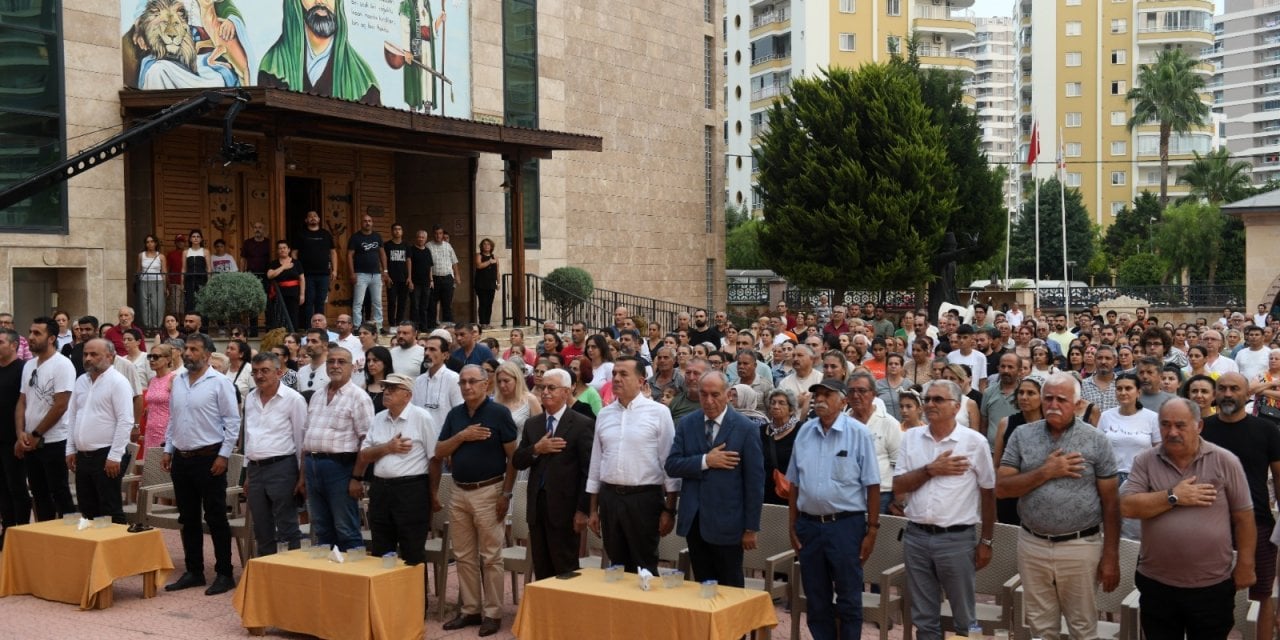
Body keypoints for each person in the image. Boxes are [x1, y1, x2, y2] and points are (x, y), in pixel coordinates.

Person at [996, 372, 1120, 639]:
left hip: (1080, 546)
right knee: (1040, 627)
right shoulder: (1021, 435)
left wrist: (1110, 556)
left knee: (1083, 627)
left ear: (1077, 404)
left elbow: (1111, 503)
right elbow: (1002, 488)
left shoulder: (1096, 440)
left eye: (1061, 399)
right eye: (1048, 398)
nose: (1053, 405)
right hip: (1033, 543)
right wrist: (1046, 471)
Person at [1120, 398, 1256, 639]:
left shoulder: (1225, 461)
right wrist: (1174, 496)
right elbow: (1128, 507)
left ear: (1199, 426)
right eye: (1165, 425)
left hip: (1211, 585)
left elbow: (1244, 518)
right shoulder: (1146, 461)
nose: (1172, 432)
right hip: (1157, 582)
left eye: (1180, 425)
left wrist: (1246, 564)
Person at [893, 379, 996, 640]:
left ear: (956, 406)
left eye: (938, 399)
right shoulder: (911, 438)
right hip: (916, 537)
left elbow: (988, 492)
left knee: (966, 617)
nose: (929, 404)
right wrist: (931, 470)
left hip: (957, 539)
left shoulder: (974, 442)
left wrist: (986, 540)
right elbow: (898, 487)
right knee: (924, 618)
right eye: (927, 399)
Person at [787, 377, 880, 640]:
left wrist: (872, 530)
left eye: (827, 395)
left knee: (849, 598)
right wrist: (792, 526)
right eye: (817, 396)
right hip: (809, 526)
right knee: (816, 599)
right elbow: (794, 482)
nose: (820, 400)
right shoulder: (804, 432)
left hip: (845, 526)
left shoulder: (858, 433)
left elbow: (873, 484)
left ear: (843, 400)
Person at [435, 365, 518, 637]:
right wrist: (462, 436)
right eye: (463, 383)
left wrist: (506, 493)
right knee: (463, 555)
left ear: (486, 384)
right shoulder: (455, 414)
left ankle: (493, 613)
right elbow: (438, 451)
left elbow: (513, 459)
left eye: (473, 382)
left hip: (489, 490)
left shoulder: (499, 413)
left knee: (491, 556)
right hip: (459, 490)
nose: (467, 387)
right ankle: (471, 609)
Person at [664, 371, 763, 588]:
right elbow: (671, 465)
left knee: (730, 586)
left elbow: (755, 482)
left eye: (715, 395)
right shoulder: (687, 424)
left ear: (728, 395)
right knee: (703, 586)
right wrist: (705, 461)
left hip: (729, 524)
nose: (709, 401)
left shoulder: (745, 428)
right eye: (704, 394)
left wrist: (750, 528)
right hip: (695, 522)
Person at [1201, 372, 1280, 637]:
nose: (1227, 394)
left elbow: (1279, 477)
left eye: (1234, 388)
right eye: (1221, 388)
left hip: (1258, 524)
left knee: (1261, 594)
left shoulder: (1266, 430)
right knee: (1210, 594)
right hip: (1209, 524)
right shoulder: (1202, 429)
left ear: (1247, 395)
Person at [162, 332, 240, 596]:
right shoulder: (179, 380)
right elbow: (173, 418)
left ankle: (225, 573)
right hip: (182, 459)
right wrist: (168, 448)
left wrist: (223, 455)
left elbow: (232, 422)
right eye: (186, 349)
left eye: (194, 350)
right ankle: (194, 571)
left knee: (216, 516)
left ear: (207, 355)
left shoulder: (219, 382)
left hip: (210, 458)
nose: (187, 354)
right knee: (188, 517)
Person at [586, 356, 679, 575]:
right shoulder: (604, 414)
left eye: (623, 374)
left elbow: (669, 465)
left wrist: (669, 510)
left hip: (644, 499)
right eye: (614, 374)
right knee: (616, 565)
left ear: (640, 380)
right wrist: (592, 509)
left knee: (644, 565)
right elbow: (596, 462)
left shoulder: (659, 413)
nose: (616, 378)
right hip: (610, 498)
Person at [351, 373, 439, 575]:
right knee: (382, 550)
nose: (387, 392)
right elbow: (364, 454)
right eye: (385, 388)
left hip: (411, 490)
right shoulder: (378, 418)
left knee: (412, 552)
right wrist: (388, 447)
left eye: (393, 388)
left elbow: (434, 459)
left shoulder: (422, 417)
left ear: (407, 395)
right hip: (380, 489)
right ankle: (386, 604)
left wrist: (432, 494)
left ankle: (417, 605)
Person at [512, 369, 595, 580]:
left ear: (566, 392)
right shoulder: (533, 424)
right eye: (542, 387)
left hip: (566, 510)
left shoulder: (581, 424)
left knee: (565, 569)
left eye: (552, 388)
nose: (545, 392)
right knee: (542, 567)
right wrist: (536, 449)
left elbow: (588, 471)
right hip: (537, 507)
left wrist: (582, 510)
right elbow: (518, 460)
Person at [303, 346, 373, 552]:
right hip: (313, 467)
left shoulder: (359, 397)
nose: (335, 366)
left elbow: (366, 442)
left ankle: (353, 580)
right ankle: (329, 581)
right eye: (331, 361)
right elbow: (306, 437)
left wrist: (357, 478)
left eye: (341, 362)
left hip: (341, 469)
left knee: (346, 529)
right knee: (322, 529)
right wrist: (302, 475)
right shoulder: (316, 396)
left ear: (352, 367)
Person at [242, 352, 307, 557]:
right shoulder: (250, 398)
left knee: (287, 525)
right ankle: (265, 574)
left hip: (282, 467)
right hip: (255, 469)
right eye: (255, 372)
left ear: (278, 372)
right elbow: (248, 436)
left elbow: (301, 440)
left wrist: (301, 476)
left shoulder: (294, 399)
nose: (259, 376)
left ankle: (292, 574)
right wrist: (246, 473)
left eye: (265, 371)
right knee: (261, 527)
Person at [64, 339, 134, 525]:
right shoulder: (81, 381)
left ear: (110, 356)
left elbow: (125, 421)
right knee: (87, 509)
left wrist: (115, 456)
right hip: (83, 456)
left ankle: (115, 553)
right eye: (86, 354)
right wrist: (70, 449)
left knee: (109, 509)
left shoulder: (118, 382)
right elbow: (72, 417)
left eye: (94, 354)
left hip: (106, 455)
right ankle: (94, 552)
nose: (88, 358)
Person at [15, 316, 76, 521]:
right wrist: (21, 435)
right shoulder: (29, 365)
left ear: (51, 338)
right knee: (39, 493)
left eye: (37, 333)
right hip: (31, 441)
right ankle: (45, 538)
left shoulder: (62, 364)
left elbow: (61, 405)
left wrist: (36, 433)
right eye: (31, 332)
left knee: (59, 492)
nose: (31, 337)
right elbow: (22, 401)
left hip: (54, 441)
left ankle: (71, 538)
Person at [1097, 372, 1160, 540]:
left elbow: (1159, 451)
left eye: (1128, 388)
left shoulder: (1152, 418)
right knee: (1108, 526)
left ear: (1138, 392)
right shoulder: (1106, 416)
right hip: (1109, 478)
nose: (1123, 392)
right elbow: (1099, 449)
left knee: (1133, 532)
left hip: (1138, 480)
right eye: (1119, 388)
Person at [846, 371, 901, 515]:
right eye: (851, 391)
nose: (856, 395)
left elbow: (900, 465)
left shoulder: (889, 424)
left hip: (881, 495)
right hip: (847, 494)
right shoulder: (841, 423)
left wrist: (897, 500)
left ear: (873, 394)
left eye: (862, 391)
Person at [0, 329, 28, 547]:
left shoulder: (22, 369)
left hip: (14, 438)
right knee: (2, 488)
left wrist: (21, 435)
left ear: (13, 345)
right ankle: (7, 530)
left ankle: (21, 531)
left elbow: (25, 404)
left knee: (16, 487)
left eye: (0, 342)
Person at [413, 335, 463, 429]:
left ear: (445, 355)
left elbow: (459, 412)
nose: (427, 353)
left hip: (444, 438)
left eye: (432, 349)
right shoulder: (419, 381)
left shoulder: (454, 379)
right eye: (426, 349)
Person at [347, 214, 387, 330]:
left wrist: (385, 271)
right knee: (358, 302)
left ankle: (378, 326)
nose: (367, 223)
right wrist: (352, 273)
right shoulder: (355, 237)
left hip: (376, 274)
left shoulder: (377, 236)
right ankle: (357, 326)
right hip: (360, 274)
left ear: (372, 223)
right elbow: (349, 255)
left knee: (377, 302)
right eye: (365, 221)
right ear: (361, 223)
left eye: (369, 221)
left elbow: (382, 253)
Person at [296, 211, 337, 322]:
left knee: (320, 301)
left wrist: (335, 270)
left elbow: (333, 252)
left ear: (319, 219)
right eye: (310, 216)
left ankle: (320, 327)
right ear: (306, 220)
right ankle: (309, 327)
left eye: (315, 216)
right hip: (306, 274)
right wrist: (296, 270)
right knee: (308, 301)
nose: (313, 218)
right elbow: (294, 253)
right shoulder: (301, 234)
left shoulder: (326, 234)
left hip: (324, 274)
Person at [140, 343, 180, 457]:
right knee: (150, 468)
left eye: (156, 357)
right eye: (150, 357)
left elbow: (179, 408)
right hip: (150, 430)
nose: (152, 360)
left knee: (163, 470)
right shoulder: (152, 380)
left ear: (168, 359)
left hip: (166, 431)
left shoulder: (174, 379)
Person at [980, 352, 1021, 451]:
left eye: (1010, 367)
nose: (1006, 370)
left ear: (1019, 371)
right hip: (992, 450)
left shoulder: (1025, 393)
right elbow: (984, 423)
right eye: (1003, 366)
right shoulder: (988, 392)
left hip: (1017, 451)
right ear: (998, 368)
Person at [240, 222, 271, 337]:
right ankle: (253, 331)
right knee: (253, 303)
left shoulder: (269, 243)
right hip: (251, 276)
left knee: (267, 303)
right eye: (256, 228)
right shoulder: (247, 243)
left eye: (260, 227)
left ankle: (269, 329)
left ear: (264, 229)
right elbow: (243, 259)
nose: (258, 230)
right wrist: (242, 274)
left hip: (266, 276)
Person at [426, 225, 460, 329]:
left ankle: (448, 324)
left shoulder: (448, 246)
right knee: (432, 303)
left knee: (447, 302)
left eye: (440, 233)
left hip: (447, 278)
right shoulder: (428, 246)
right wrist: (430, 279)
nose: (438, 236)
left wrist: (457, 275)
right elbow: (427, 264)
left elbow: (454, 262)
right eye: (436, 233)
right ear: (433, 234)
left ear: (442, 234)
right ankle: (431, 325)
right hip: (434, 278)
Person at [267, 240, 304, 331]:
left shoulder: (296, 263)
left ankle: (293, 336)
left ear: (289, 250)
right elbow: (269, 275)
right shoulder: (274, 263)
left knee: (293, 315)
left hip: (293, 293)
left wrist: (302, 294)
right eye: (280, 248)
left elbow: (302, 279)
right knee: (280, 315)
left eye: (284, 248)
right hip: (279, 294)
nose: (282, 250)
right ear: (277, 251)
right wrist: (283, 267)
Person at [383, 223, 412, 329]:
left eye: (399, 229)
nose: (397, 231)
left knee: (402, 302)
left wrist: (409, 277)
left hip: (404, 278)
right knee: (391, 302)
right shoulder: (387, 245)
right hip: (391, 278)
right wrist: (386, 275)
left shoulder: (406, 245)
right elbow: (383, 260)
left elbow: (408, 260)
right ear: (391, 231)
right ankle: (391, 324)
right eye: (395, 229)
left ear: (402, 231)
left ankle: (399, 323)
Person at [407, 229, 434, 333]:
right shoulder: (411, 249)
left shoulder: (427, 251)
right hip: (415, 282)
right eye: (419, 237)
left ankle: (424, 326)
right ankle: (414, 327)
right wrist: (410, 280)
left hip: (426, 282)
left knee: (424, 306)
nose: (421, 239)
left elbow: (430, 267)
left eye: (423, 237)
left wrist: (431, 280)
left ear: (426, 239)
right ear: (416, 237)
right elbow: (409, 264)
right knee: (415, 305)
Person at [138, 234, 165, 330]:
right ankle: (147, 327)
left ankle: (157, 327)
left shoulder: (161, 256)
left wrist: (165, 287)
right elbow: (139, 270)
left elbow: (164, 272)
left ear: (156, 243)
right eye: (147, 242)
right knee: (145, 305)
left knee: (157, 305)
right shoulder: (141, 255)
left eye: (152, 241)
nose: (150, 244)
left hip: (158, 282)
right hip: (144, 282)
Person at [181, 230, 209, 314]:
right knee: (190, 301)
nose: (196, 238)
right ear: (190, 239)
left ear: (201, 239)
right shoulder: (186, 252)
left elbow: (208, 268)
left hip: (202, 279)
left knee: (202, 301)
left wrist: (209, 282)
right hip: (189, 280)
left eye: (198, 236)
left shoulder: (205, 251)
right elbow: (183, 268)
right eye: (193, 236)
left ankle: (203, 325)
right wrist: (182, 283)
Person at [473, 238, 498, 329]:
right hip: (481, 283)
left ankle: (487, 322)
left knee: (489, 304)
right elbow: (479, 266)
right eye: (484, 244)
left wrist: (498, 282)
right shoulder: (479, 255)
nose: (486, 246)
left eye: (488, 244)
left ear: (491, 246)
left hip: (491, 284)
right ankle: (482, 323)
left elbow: (497, 271)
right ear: (482, 246)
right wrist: (489, 261)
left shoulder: (495, 257)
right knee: (483, 303)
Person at [363, 346, 393, 413]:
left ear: (385, 362)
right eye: (368, 361)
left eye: (375, 360)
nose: (370, 364)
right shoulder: (364, 386)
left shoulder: (393, 387)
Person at [165, 234, 186, 315]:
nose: (180, 243)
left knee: (183, 306)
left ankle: (182, 325)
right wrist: (168, 283)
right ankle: (176, 323)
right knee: (175, 307)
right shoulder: (171, 254)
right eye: (178, 241)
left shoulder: (187, 254)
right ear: (175, 243)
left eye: (182, 241)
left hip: (185, 283)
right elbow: (167, 269)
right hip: (174, 283)